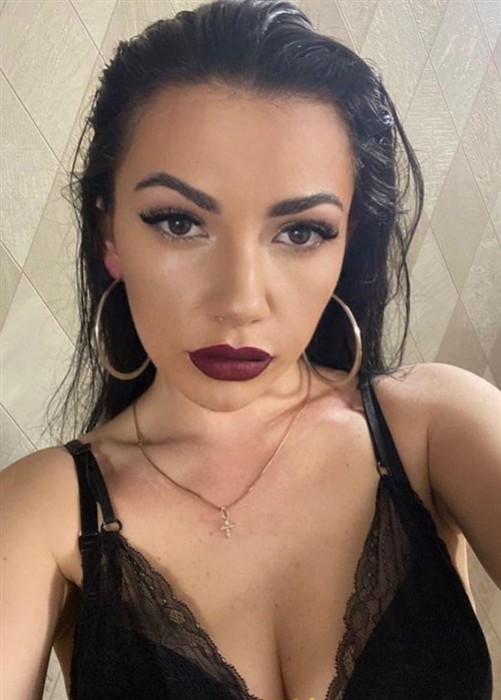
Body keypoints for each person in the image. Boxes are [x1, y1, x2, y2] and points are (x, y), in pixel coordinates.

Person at [1, 0, 499, 698]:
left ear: (347, 242)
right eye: (179, 223)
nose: (239, 300)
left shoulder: (435, 427)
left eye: (300, 232)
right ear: (110, 234)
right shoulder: (42, 511)